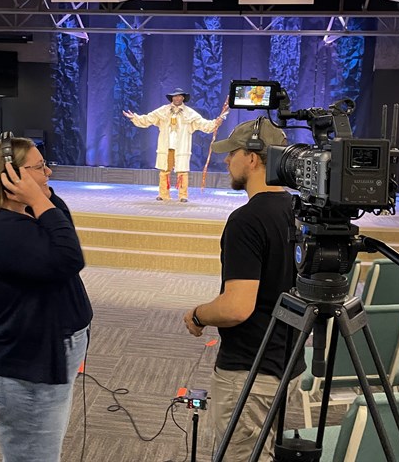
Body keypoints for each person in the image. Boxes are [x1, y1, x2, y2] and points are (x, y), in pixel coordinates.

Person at [0, 136, 93, 462]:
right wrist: (39, 199)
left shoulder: (20, 217)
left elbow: (62, 229)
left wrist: (40, 196)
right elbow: (69, 257)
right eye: (39, 167)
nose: (48, 173)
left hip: (35, 360)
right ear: (9, 177)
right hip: (24, 374)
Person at [182, 118, 305, 461]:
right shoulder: (299, 211)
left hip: (249, 373)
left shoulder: (247, 220)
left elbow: (237, 307)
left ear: (252, 159)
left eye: (232, 153)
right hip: (289, 365)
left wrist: (197, 315)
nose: (226, 161)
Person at [123, 88, 228, 202]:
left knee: (182, 171)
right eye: (175, 96)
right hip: (166, 146)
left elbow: (204, 125)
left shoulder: (189, 113)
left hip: (181, 147)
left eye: (179, 96)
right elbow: (148, 119)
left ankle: (183, 195)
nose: (177, 98)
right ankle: (163, 194)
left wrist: (216, 122)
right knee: (164, 170)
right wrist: (135, 117)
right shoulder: (163, 110)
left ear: (183, 98)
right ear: (172, 98)